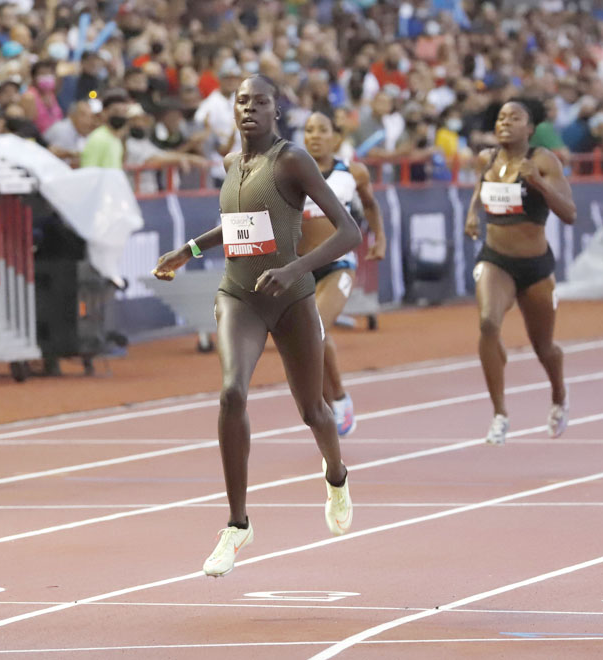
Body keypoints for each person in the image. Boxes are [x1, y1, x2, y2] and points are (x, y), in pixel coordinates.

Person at [152, 75, 360, 577]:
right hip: (239, 296)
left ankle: (336, 476)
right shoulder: (231, 163)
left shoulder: (292, 160)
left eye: (260, 101)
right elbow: (239, 226)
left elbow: (349, 232)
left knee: (313, 409)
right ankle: (237, 523)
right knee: (231, 394)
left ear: (276, 110)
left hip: (290, 298)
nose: (250, 109)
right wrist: (189, 250)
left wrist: (293, 270)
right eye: (242, 101)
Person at [463, 98, 576, 446]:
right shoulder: (486, 159)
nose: (505, 123)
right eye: (501, 118)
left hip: (536, 266)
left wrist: (540, 183)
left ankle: (559, 394)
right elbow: (481, 188)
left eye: (515, 118)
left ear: (530, 128)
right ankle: (500, 414)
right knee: (487, 323)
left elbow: (570, 213)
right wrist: (471, 213)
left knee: (544, 347)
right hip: (496, 259)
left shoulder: (543, 160)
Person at [300, 112, 386, 436]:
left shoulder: (353, 171)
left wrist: (380, 239)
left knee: (314, 328)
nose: (315, 136)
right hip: (301, 266)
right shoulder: (292, 171)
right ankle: (327, 399)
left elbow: (372, 206)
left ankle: (339, 400)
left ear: (336, 138)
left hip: (338, 265)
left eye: (322, 130)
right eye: (308, 131)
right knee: (309, 340)